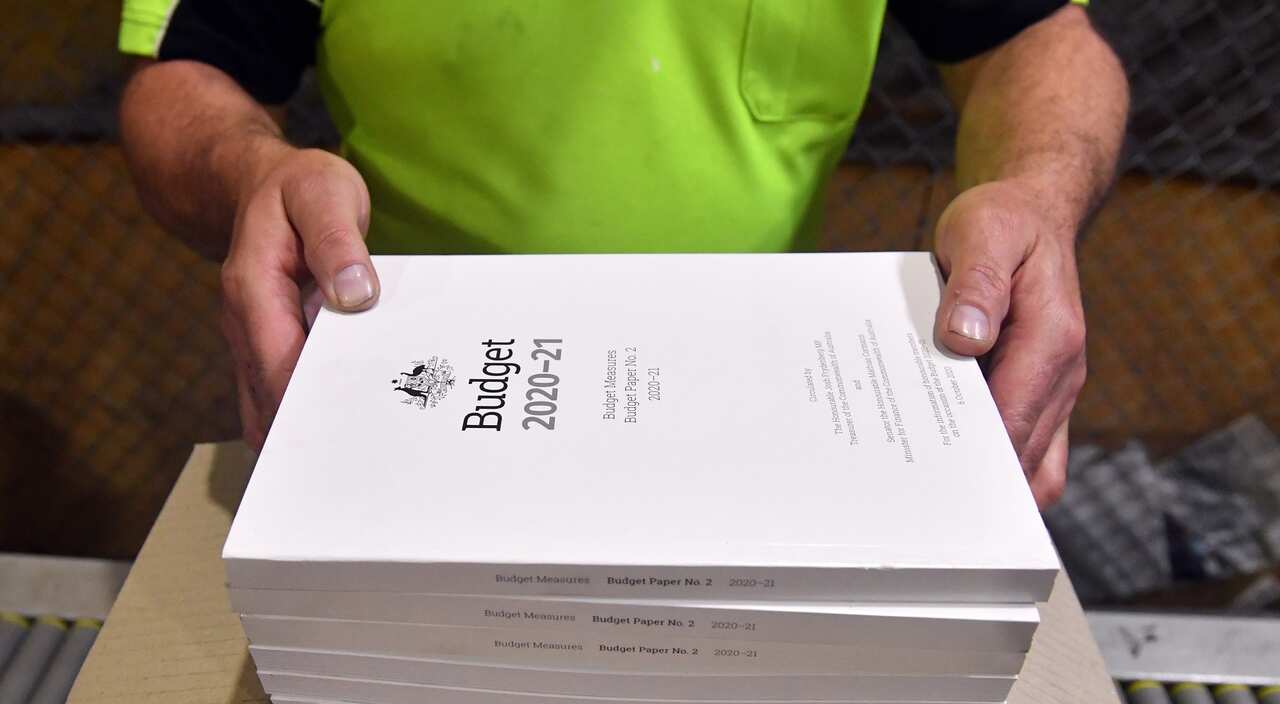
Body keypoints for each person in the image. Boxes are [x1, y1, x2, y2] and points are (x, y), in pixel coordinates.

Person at [117, 0, 1127, 507]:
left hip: (770, 402)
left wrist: (1034, 192)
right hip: (421, 397)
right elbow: (187, 73)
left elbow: (1032, 35)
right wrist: (252, 173)